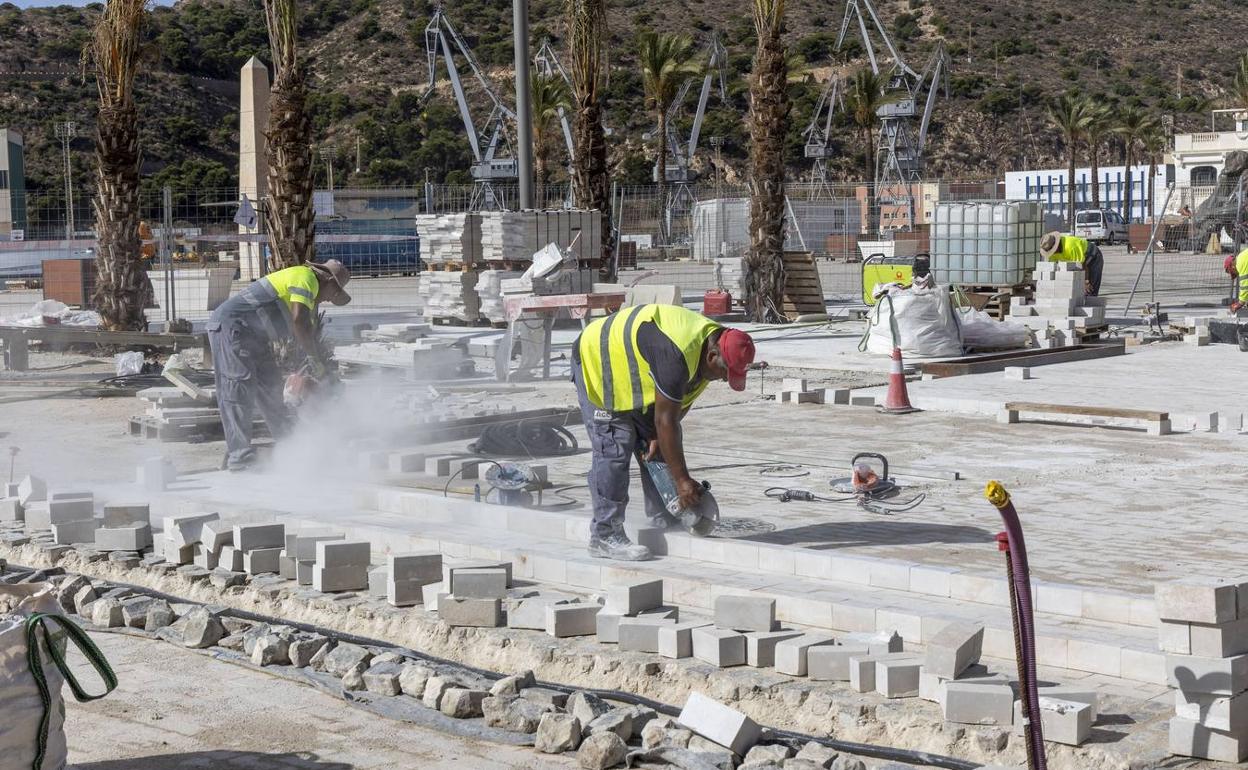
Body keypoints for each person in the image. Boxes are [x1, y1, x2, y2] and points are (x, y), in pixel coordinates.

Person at [571, 304, 756, 561]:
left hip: (632, 371)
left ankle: (663, 517)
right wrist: (682, 482)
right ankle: (604, 535)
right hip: (597, 359)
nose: (724, 380)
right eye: (725, 374)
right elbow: (666, 420)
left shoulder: (710, 348)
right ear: (712, 358)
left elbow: (677, 407)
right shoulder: (675, 354)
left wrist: (656, 435)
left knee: (654, 444)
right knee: (615, 443)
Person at [207, 260, 351, 471]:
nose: (329, 299)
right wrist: (314, 360)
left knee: (271, 387)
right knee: (238, 388)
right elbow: (299, 322)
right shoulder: (306, 278)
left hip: (254, 335)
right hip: (232, 326)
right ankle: (239, 457)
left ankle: (290, 448)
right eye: (332, 293)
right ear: (328, 280)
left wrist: (318, 368)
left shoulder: (308, 294)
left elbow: (305, 335)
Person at [1039, 231, 1104, 296]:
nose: (1052, 253)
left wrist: (1086, 282)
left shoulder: (1070, 246)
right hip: (1082, 262)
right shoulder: (1053, 254)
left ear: (1056, 246)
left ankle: (1092, 301)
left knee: (1090, 289)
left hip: (1093, 257)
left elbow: (1082, 265)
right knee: (1076, 292)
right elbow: (1053, 269)